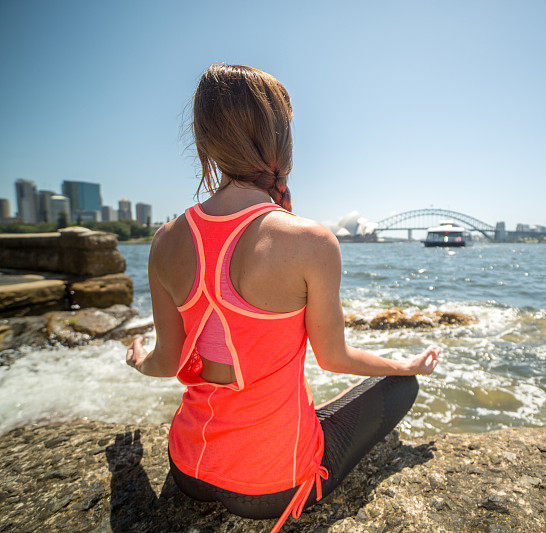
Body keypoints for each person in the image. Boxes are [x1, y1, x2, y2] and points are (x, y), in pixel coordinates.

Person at [125, 63, 441, 533]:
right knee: (400, 387)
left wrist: (137, 358)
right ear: (282, 143)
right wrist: (405, 365)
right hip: (271, 487)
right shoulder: (311, 240)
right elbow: (333, 358)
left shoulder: (165, 240)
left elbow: (166, 363)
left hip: (187, 466)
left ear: (205, 144)